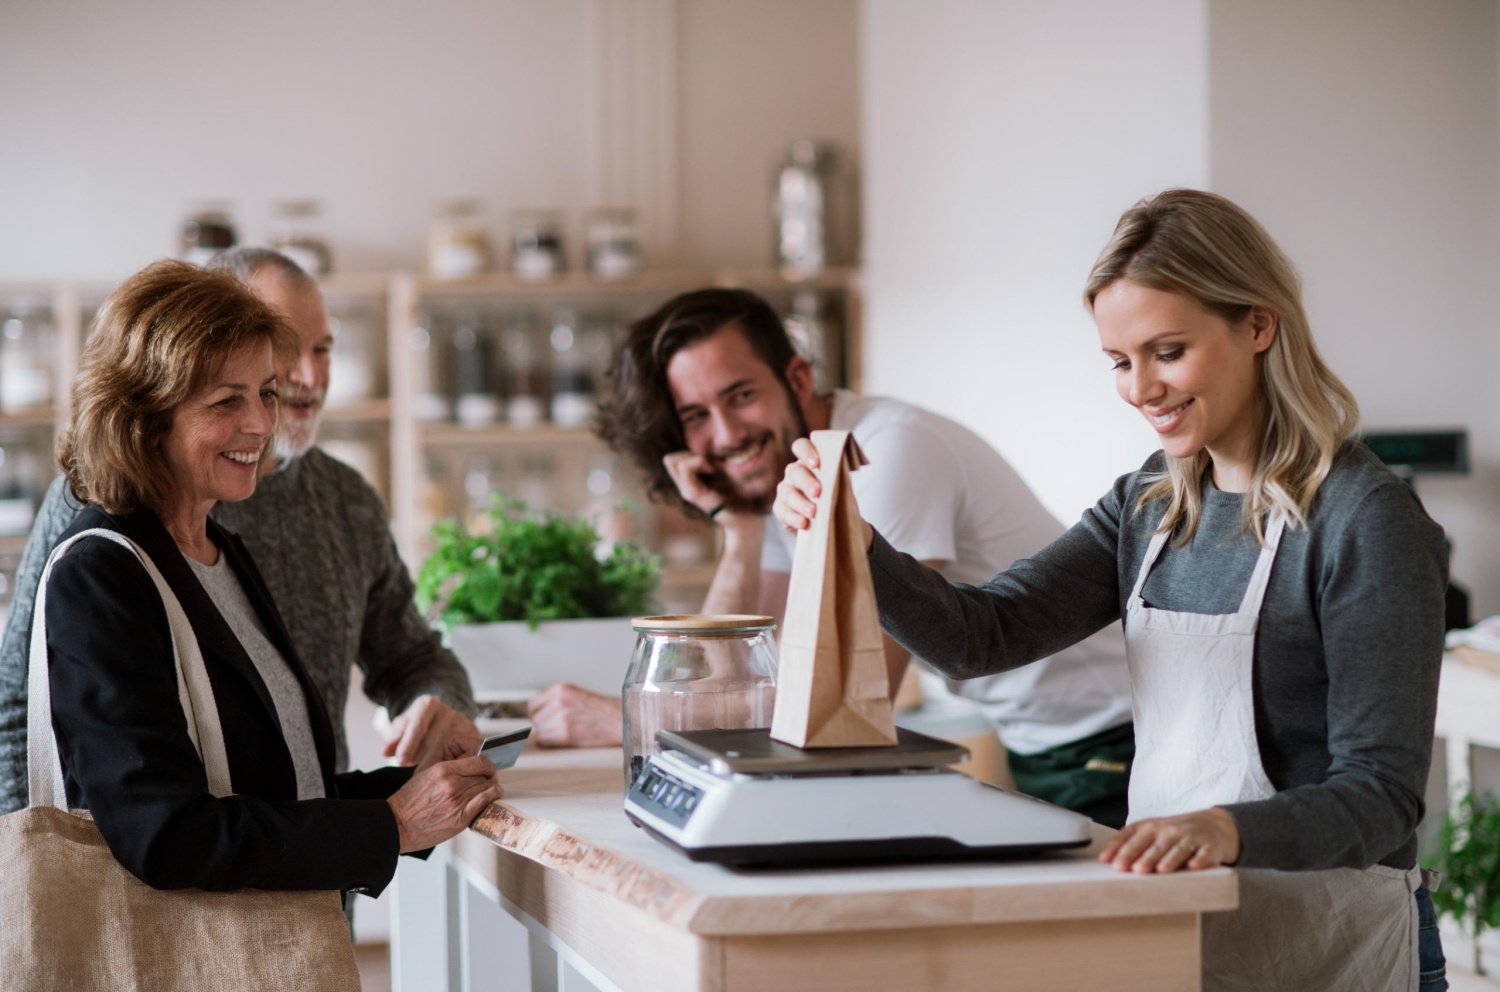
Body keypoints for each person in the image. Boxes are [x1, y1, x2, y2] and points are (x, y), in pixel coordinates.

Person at [772, 189, 1447, 992]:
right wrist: (854, 539)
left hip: (1334, 947)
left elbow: (1381, 797)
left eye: (1168, 351)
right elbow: (980, 636)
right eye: (1120, 362)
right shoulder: (1150, 505)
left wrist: (1224, 831)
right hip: (1174, 935)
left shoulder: (1364, 518)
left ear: (1259, 325)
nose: (1140, 389)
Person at [530, 287, 1137, 826]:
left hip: (1110, 739)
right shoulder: (784, 476)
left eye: (740, 395)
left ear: (797, 379)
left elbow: (832, 700)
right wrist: (738, 529)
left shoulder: (883, 453)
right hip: (1041, 742)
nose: (724, 436)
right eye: (696, 417)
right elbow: (739, 664)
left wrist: (632, 722)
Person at [40, 259, 498, 899]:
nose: (261, 423)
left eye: (266, 393)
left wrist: (417, 791)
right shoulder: (102, 570)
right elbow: (165, 833)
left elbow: (283, 785)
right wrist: (390, 826)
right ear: (143, 417)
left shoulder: (219, 550)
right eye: (227, 400)